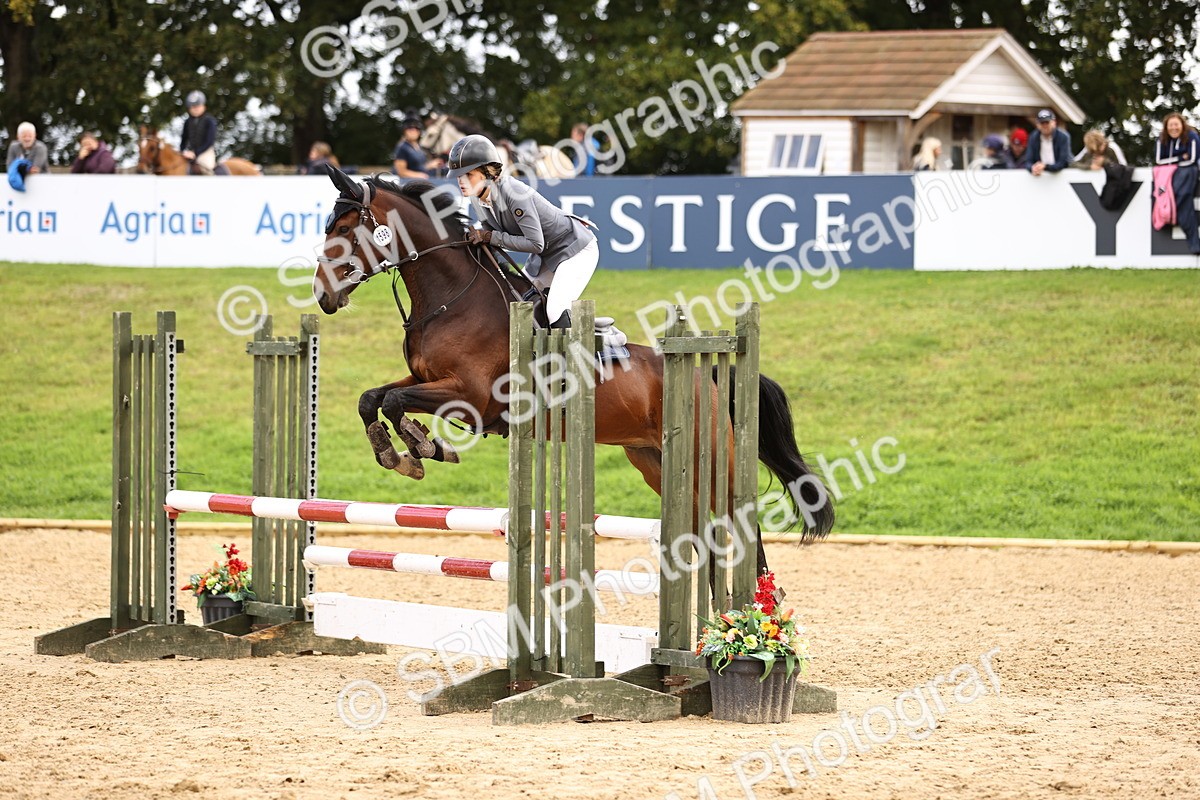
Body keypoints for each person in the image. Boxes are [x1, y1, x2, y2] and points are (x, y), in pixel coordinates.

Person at [447, 134, 598, 328]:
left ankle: (583, 354)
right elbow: (490, 239)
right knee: (519, 302)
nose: (461, 181)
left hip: (575, 249)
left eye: (468, 175)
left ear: (486, 173)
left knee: (555, 309)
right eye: (459, 176)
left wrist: (490, 237)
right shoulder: (477, 198)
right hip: (545, 256)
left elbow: (535, 243)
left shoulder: (513, 192)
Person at [1154, 112, 1200, 254]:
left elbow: (1192, 159)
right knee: (1163, 196)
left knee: (1183, 197)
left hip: (1188, 172)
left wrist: (1173, 160)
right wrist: (1180, 157)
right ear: (1166, 127)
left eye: (1176, 124)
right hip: (1167, 175)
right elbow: (1158, 160)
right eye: (1171, 125)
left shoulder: (1192, 136)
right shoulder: (1161, 139)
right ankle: (1167, 215)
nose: (1174, 128)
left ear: (1182, 125)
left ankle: (1193, 243)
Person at [180, 90, 217, 175]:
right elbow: (183, 139)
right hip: (190, 152)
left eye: (198, 106)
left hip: (205, 152)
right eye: (193, 106)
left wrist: (195, 153)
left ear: (203, 106)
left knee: (207, 170)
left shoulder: (209, 121)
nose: (195, 108)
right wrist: (182, 151)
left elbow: (209, 141)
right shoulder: (187, 122)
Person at [1024, 109, 1071, 176]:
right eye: (1042, 123)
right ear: (1037, 125)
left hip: (1060, 176)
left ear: (1054, 123)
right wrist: (1033, 168)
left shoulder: (1063, 137)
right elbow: (1028, 161)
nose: (1045, 126)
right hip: (1040, 177)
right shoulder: (1033, 137)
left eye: (1047, 122)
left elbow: (1063, 162)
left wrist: (1045, 166)